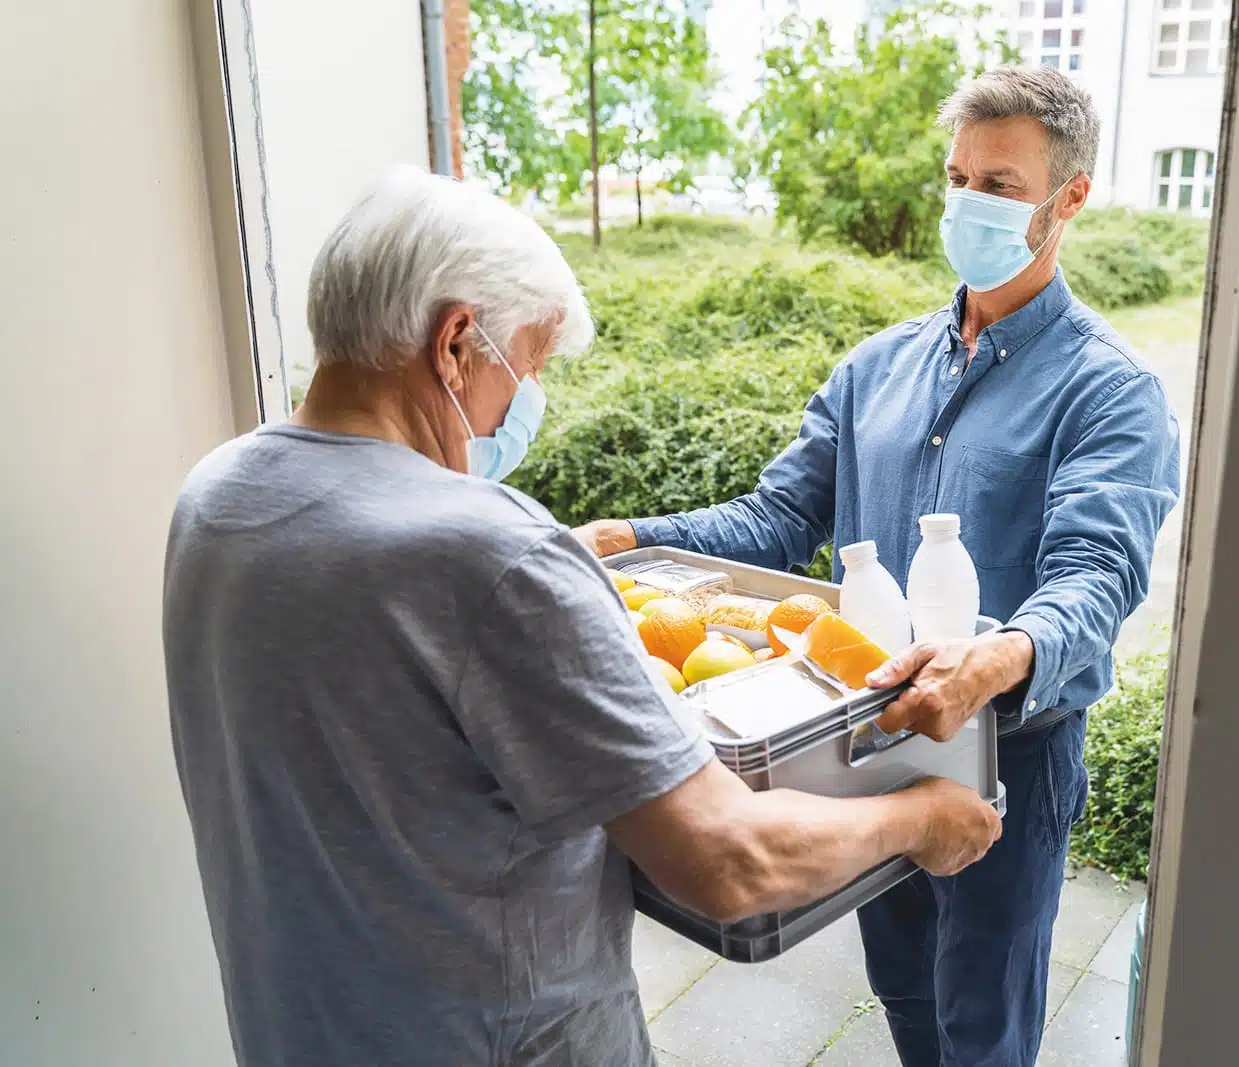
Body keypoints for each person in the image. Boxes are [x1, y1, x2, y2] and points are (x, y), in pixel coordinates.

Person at [162, 166, 1002, 1067]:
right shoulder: (490, 551)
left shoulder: (214, 498)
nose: (525, 398)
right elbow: (728, 861)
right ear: (453, 343)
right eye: (527, 365)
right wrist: (923, 814)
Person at [576, 66, 1182, 1067]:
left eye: (998, 183)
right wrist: (629, 536)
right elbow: (775, 519)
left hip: (1005, 758)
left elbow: (1094, 576)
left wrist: (990, 661)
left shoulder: (1104, 391)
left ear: (1068, 199)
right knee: (901, 986)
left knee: (982, 1022)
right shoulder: (874, 371)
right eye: (956, 176)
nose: (966, 202)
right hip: (862, 738)